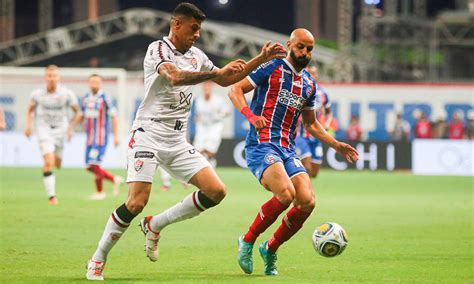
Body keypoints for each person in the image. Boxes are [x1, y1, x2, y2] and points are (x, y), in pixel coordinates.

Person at [86, 2, 286, 281]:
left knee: (216, 191)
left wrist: (259, 59)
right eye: (194, 29)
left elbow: (228, 78)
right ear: (176, 24)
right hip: (149, 133)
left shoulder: (197, 55)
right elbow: (175, 77)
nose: (197, 35)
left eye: (199, 30)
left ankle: (155, 225)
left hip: (177, 138)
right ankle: (98, 258)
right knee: (136, 202)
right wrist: (215, 73)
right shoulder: (158, 49)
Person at [228, 28, 359, 276]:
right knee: (286, 194)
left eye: (309, 49)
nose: (305, 52)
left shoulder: (309, 84)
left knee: (307, 201)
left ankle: (271, 248)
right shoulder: (272, 67)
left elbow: (311, 124)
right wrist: (251, 115)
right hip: (261, 144)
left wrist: (337, 144)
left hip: (288, 150)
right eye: (301, 47)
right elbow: (235, 90)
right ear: (290, 44)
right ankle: (247, 240)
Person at [25, 65, 82, 205]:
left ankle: (58, 159)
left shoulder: (66, 94)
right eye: (49, 76)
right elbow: (30, 109)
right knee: (48, 161)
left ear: (58, 78)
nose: (52, 78)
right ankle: (52, 196)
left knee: (58, 162)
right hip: (44, 130)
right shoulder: (37, 94)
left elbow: (79, 113)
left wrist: (70, 128)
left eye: (54, 76)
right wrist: (28, 126)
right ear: (45, 78)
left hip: (61, 130)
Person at [79, 74, 124, 200]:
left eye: (97, 82)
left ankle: (100, 192)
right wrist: (71, 128)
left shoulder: (105, 98)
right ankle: (114, 179)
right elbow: (81, 115)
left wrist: (116, 136)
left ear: (100, 84)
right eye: (92, 82)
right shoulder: (86, 98)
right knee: (88, 167)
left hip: (100, 137)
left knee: (94, 164)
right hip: (89, 138)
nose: (94, 84)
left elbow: (114, 117)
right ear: (89, 83)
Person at [294, 66, 332, 178]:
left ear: (317, 75)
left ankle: (301, 191)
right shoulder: (298, 89)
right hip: (301, 136)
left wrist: (327, 123)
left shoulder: (323, 94)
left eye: (314, 73)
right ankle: (305, 194)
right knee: (306, 167)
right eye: (308, 73)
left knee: (314, 173)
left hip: (316, 137)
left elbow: (328, 112)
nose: (311, 75)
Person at [193, 81, 230, 167]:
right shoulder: (199, 100)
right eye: (205, 87)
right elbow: (198, 114)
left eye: (208, 87)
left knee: (210, 150)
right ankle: (207, 165)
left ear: (211, 88)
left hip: (215, 127)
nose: (206, 89)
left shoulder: (218, 100)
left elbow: (227, 111)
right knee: (197, 150)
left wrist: (221, 114)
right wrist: (197, 119)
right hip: (202, 127)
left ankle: (208, 164)